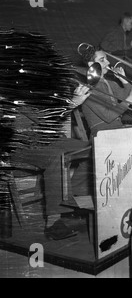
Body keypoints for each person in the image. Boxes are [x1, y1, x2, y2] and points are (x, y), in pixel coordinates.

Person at [9, 84, 93, 240]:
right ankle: (53, 224)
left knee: (96, 148)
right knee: (56, 156)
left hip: (46, 140)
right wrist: (71, 102)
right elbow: (37, 115)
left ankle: (72, 196)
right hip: (19, 147)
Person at [81, 50, 132, 137]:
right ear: (91, 64)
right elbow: (108, 116)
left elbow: (126, 97)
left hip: (116, 131)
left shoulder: (109, 83)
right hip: (102, 136)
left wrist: (124, 80)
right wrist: (131, 98)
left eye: (106, 59)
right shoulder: (88, 89)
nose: (108, 62)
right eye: (102, 60)